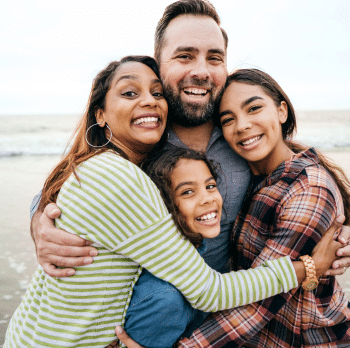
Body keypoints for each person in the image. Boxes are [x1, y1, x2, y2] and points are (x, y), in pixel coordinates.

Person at [4, 56, 318, 348]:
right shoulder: (120, 178)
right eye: (129, 93)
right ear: (100, 114)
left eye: (157, 93)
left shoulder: (103, 166)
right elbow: (209, 292)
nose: (149, 101)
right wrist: (308, 268)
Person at [176, 69, 350, 347]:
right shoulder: (247, 176)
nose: (242, 125)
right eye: (228, 120)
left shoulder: (308, 190)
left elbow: (260, 302)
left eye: (254, 108)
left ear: (281, 111)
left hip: (303, 339)